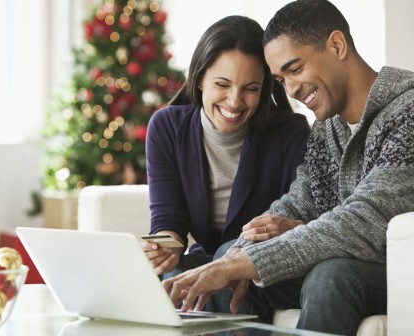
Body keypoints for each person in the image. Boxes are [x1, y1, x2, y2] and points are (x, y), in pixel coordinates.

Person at [161, 1, 414, 335]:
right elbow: (300, 200)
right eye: (280, 79)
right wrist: (241, 250)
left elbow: (367, 219)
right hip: (348, 262)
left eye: (295, 69)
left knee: (331, 277)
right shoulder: (329, 127)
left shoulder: (407, 112)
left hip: (394, 269)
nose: (291, 90)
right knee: (228, 254)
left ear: (336, 45)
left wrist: (250, 261)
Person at [142, 15, 310, 280]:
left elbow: (307, 218)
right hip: (208, 261)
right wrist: (165, 248)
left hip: (265, 269)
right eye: (222, 84)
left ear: (265, 89)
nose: (234, 101)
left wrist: (291, 228)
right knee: (168, 272)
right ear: (199, 79)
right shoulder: (167, 127)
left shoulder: (291, 134)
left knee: (223, 254)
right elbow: (169, 221)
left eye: (251, 88)